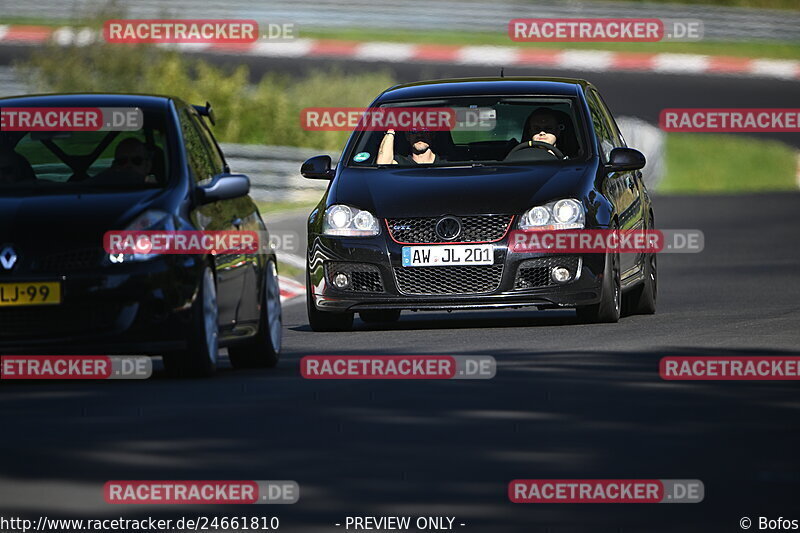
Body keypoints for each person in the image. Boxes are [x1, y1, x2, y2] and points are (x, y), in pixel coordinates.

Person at [376, 128, 444, 165]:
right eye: (414, 131)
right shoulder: (401, 163)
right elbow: (382, 165)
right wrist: (391, 130)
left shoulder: (445, 164)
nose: (419, 135)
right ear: (407, 136)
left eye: (424, 130)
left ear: (432, 134)